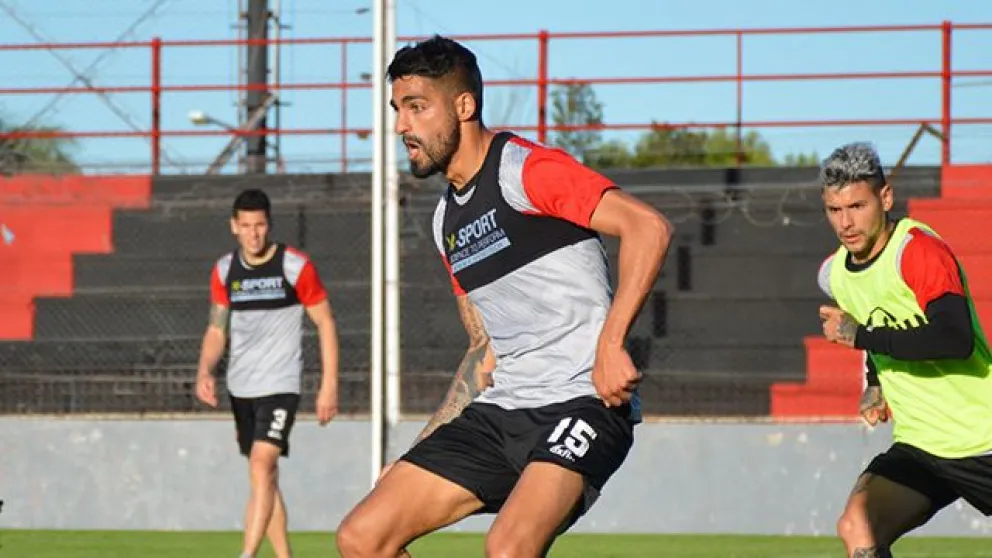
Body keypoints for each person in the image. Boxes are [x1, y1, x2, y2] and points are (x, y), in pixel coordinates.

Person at [335, 35, 673, 558]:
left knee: (509, 548)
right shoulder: (446, 220)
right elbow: (482, 350)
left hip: (583, 403)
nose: (402, 125)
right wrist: (425, 449)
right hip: (501, 412)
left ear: (464, 105)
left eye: (417, 107)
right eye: (397, 109)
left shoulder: (526, 170)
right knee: (362, 537)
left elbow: (646, 227)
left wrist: (611, 344)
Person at [816, 142, 992, 557]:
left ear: (886, 198)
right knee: (858, 527)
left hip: (982, 438)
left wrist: (862, 337)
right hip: (922, 445)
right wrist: (875, 385)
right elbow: (877, 319)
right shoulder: (836, 274)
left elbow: (954, 338)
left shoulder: (917, 251)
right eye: (835, 210)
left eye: (857, 206)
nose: (846, 223)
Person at [194, 188, 340, 558]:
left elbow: (324, 322)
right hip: (241, 387)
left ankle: (246, 554)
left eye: (259, 225)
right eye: (246, 226)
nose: (253, 234)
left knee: (262, 463)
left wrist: (329, 386)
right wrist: (204, 370)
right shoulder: (225, 271)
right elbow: (216, 329)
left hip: (281, 385)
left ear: (269, 225)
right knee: (264, 477)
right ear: (234, 227)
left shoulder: (294, 266)